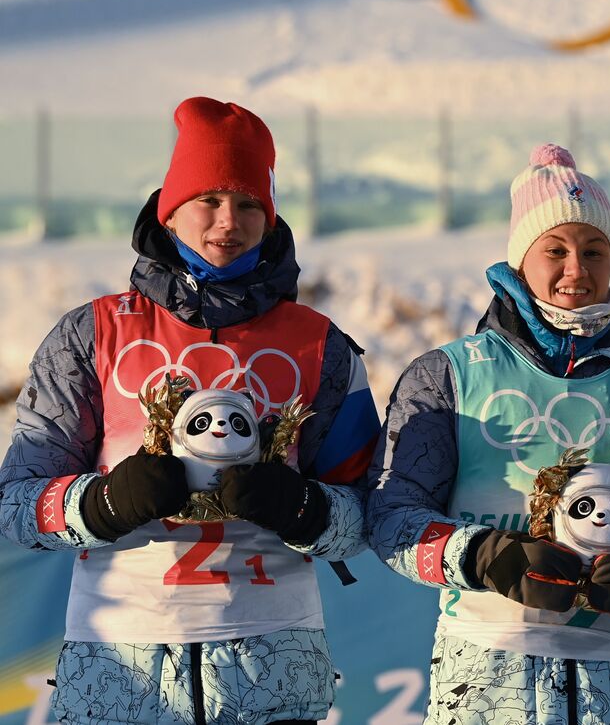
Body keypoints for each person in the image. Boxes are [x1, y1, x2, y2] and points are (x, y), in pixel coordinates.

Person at [0, 98, 380, 725]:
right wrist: (100, 504)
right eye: (209, 198)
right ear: (170, 209)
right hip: (119, 681)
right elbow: (16, 504)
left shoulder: (321, 345)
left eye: (250, 203)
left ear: (271, 215)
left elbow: (371, 516)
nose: (229, 220)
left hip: (272, 679)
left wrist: (304, 509)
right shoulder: (90, 334)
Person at [367, 143, 610, 725]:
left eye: (595, 250)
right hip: (489, 675)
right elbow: (391, 517)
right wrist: (482, 555)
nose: (577, 269)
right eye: (556, 250)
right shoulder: (446, 374)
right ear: (522, 259)